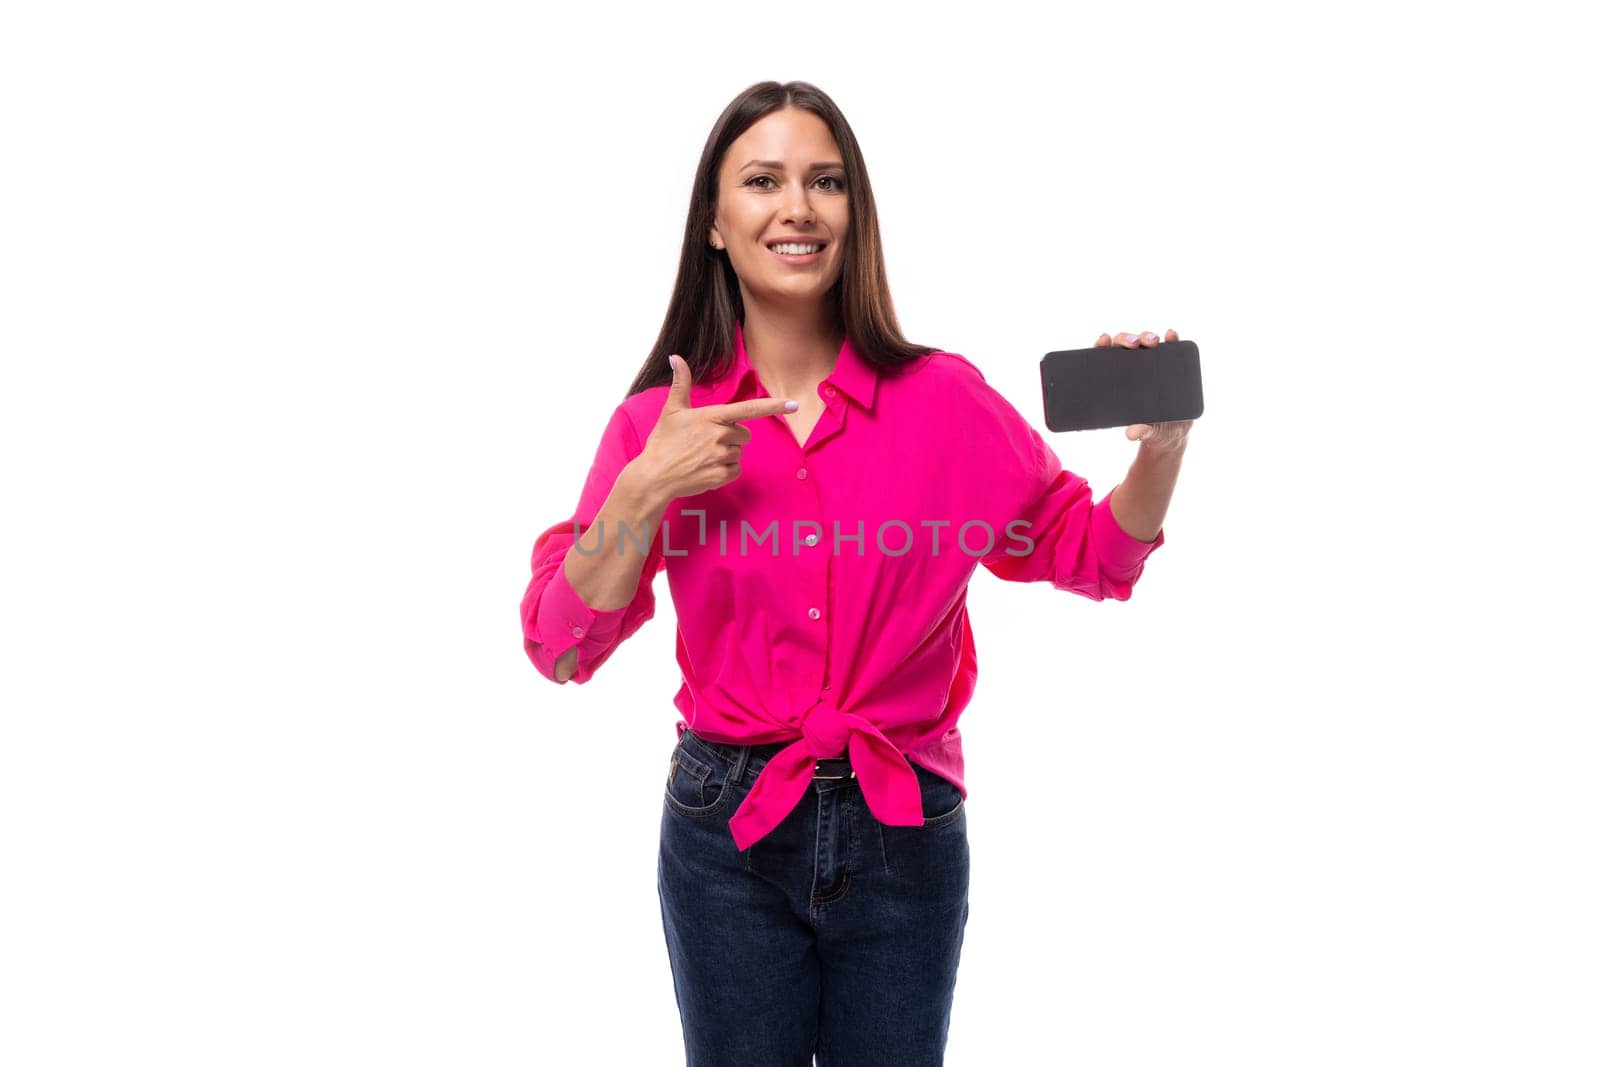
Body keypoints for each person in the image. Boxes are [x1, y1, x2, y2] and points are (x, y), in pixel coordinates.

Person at [519, 80, 1190, 1067]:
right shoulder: (657, 428)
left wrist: (1160, 451)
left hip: (903, 818)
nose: (797, 206)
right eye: (762, 180)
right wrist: (638, 495)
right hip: (725, 831)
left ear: (854, 212)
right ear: (715, 220)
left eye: (824, 181)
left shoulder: (945, 400)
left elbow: (1090, 553)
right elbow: (559, 643)